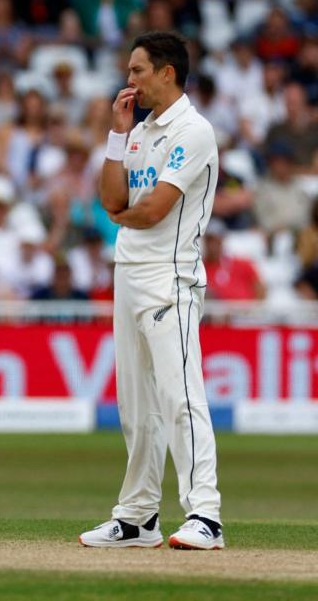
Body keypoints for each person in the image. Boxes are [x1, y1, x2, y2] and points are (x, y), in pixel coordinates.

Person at [80, 31, 224, 551]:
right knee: (136, 405)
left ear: (167, 72)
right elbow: (111, 197)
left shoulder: (194, 130)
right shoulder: (138, 131)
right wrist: (118, 137)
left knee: (180, 395)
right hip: (129, 272)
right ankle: (139, 517)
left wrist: (120, 217)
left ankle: (205, 513)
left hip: (171, 275)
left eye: (138, 70)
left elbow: (152, 209)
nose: (130, 80)